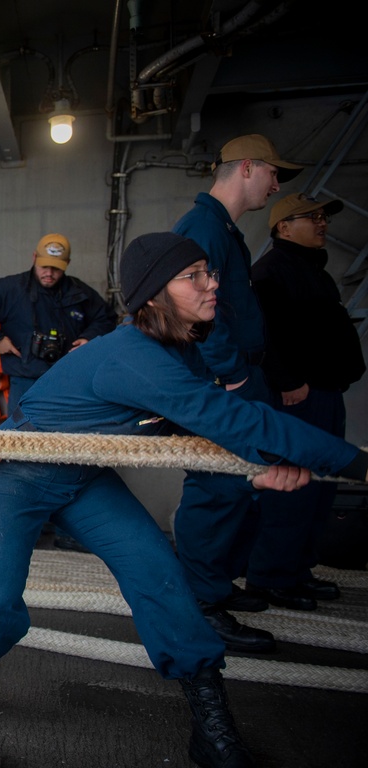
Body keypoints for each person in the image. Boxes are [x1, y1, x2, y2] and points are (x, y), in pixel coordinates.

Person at [0, 232, 368, 768]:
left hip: (84, 477)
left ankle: (210, 726)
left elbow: (200, 441)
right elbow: (238, 419)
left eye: (210, 272)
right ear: (156, 295)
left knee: (162, 576)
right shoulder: (136, 357)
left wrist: (254, 474)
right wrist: (353, 462)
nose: (213, 284)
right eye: (195, 276)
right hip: (19, 475)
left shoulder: (182, 353)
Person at [171, 133, 303, 653]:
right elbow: (197, 310)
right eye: (274, 172)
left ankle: (217, 588)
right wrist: (232, 375)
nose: (277, 183)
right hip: (227, 380)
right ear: (246, 167)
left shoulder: (220, 228)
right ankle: (201, 604)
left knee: (240, 486)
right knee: (217, 489)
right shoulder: (203, 227)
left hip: (243, 374)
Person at [244, 193, 365, 610]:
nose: (322, 224)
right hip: (299, 396)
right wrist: (288, 381)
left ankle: (297, 570)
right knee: (291, 489)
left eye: (322, 217)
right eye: (310, 217)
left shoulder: (313, 270)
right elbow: (263, 337)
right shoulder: (270, 272)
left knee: (319, 489)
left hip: (326, 392)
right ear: (283, 227)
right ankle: (270, 576)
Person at [0, 233, 116, 414]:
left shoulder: (79, 292)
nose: (49, 273)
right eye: (44, 266)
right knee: (21, 437)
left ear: (68, 263)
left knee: (67, 437)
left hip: (69, 380)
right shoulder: (11, 289)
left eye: (56, 268)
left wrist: (88, 338)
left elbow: (107, 318)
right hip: (25, 381)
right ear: (34, 258)